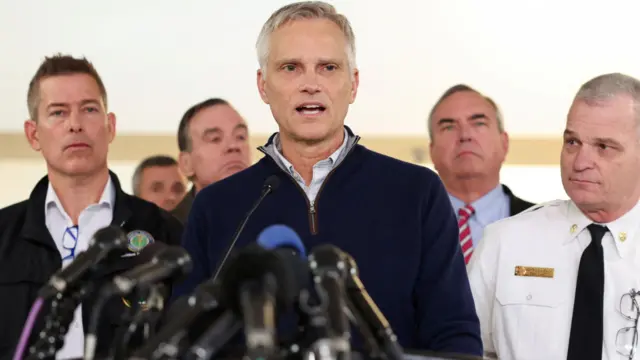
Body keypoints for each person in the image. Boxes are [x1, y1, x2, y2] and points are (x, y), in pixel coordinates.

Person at [174, 1, 482, 355]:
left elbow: (455, 336)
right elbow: (187, 337)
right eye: (291, 67)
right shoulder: (216, 206)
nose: (310, 84)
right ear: (263, 85)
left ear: (353, 84)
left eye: (328, 67)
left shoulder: (417, 192)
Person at [0, 54, 183, 360]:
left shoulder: (163, 231)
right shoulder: (3, 234)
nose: (75, 124)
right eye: (58, 112)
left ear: (110, 126)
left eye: (89, 109)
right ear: (34, 134)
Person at [468, 72, 640, 359]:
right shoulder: (505, 242)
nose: (581, 162)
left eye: (603, 147)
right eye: (572, 142)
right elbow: (463, 349)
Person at [428, 84, 534, 264]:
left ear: (504, 143)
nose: (465, 135)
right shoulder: (403, 228)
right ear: (432, 152)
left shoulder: (546, 226)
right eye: (448, 127)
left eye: (478, 123)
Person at [171, 98, 251, 223]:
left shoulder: (279, 219)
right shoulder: (165, 234)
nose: (233, 146)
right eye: (215, 139)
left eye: (240, 136)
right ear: (186, 164)